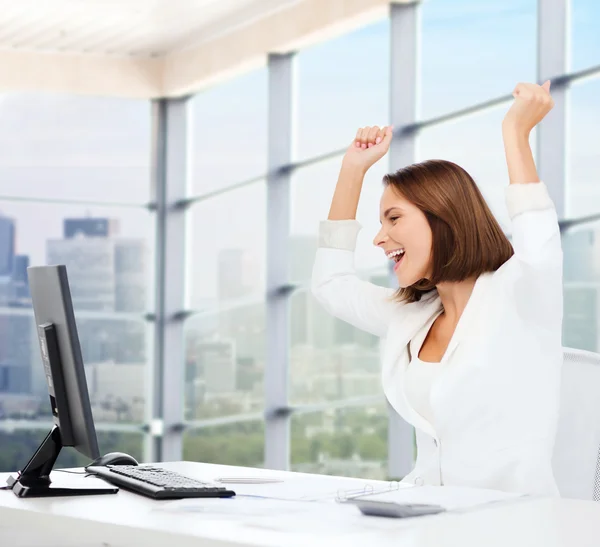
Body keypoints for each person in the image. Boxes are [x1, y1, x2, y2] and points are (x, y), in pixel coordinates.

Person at [311, 81, 563, 496]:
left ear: (442, 217)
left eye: (393, 219)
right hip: (428, 515)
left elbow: (538, 240)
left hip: (514, 525)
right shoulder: (412, 317)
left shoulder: (520, 295)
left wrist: (515, 134)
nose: (379, 238)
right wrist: (352, 170)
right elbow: (330, 285)